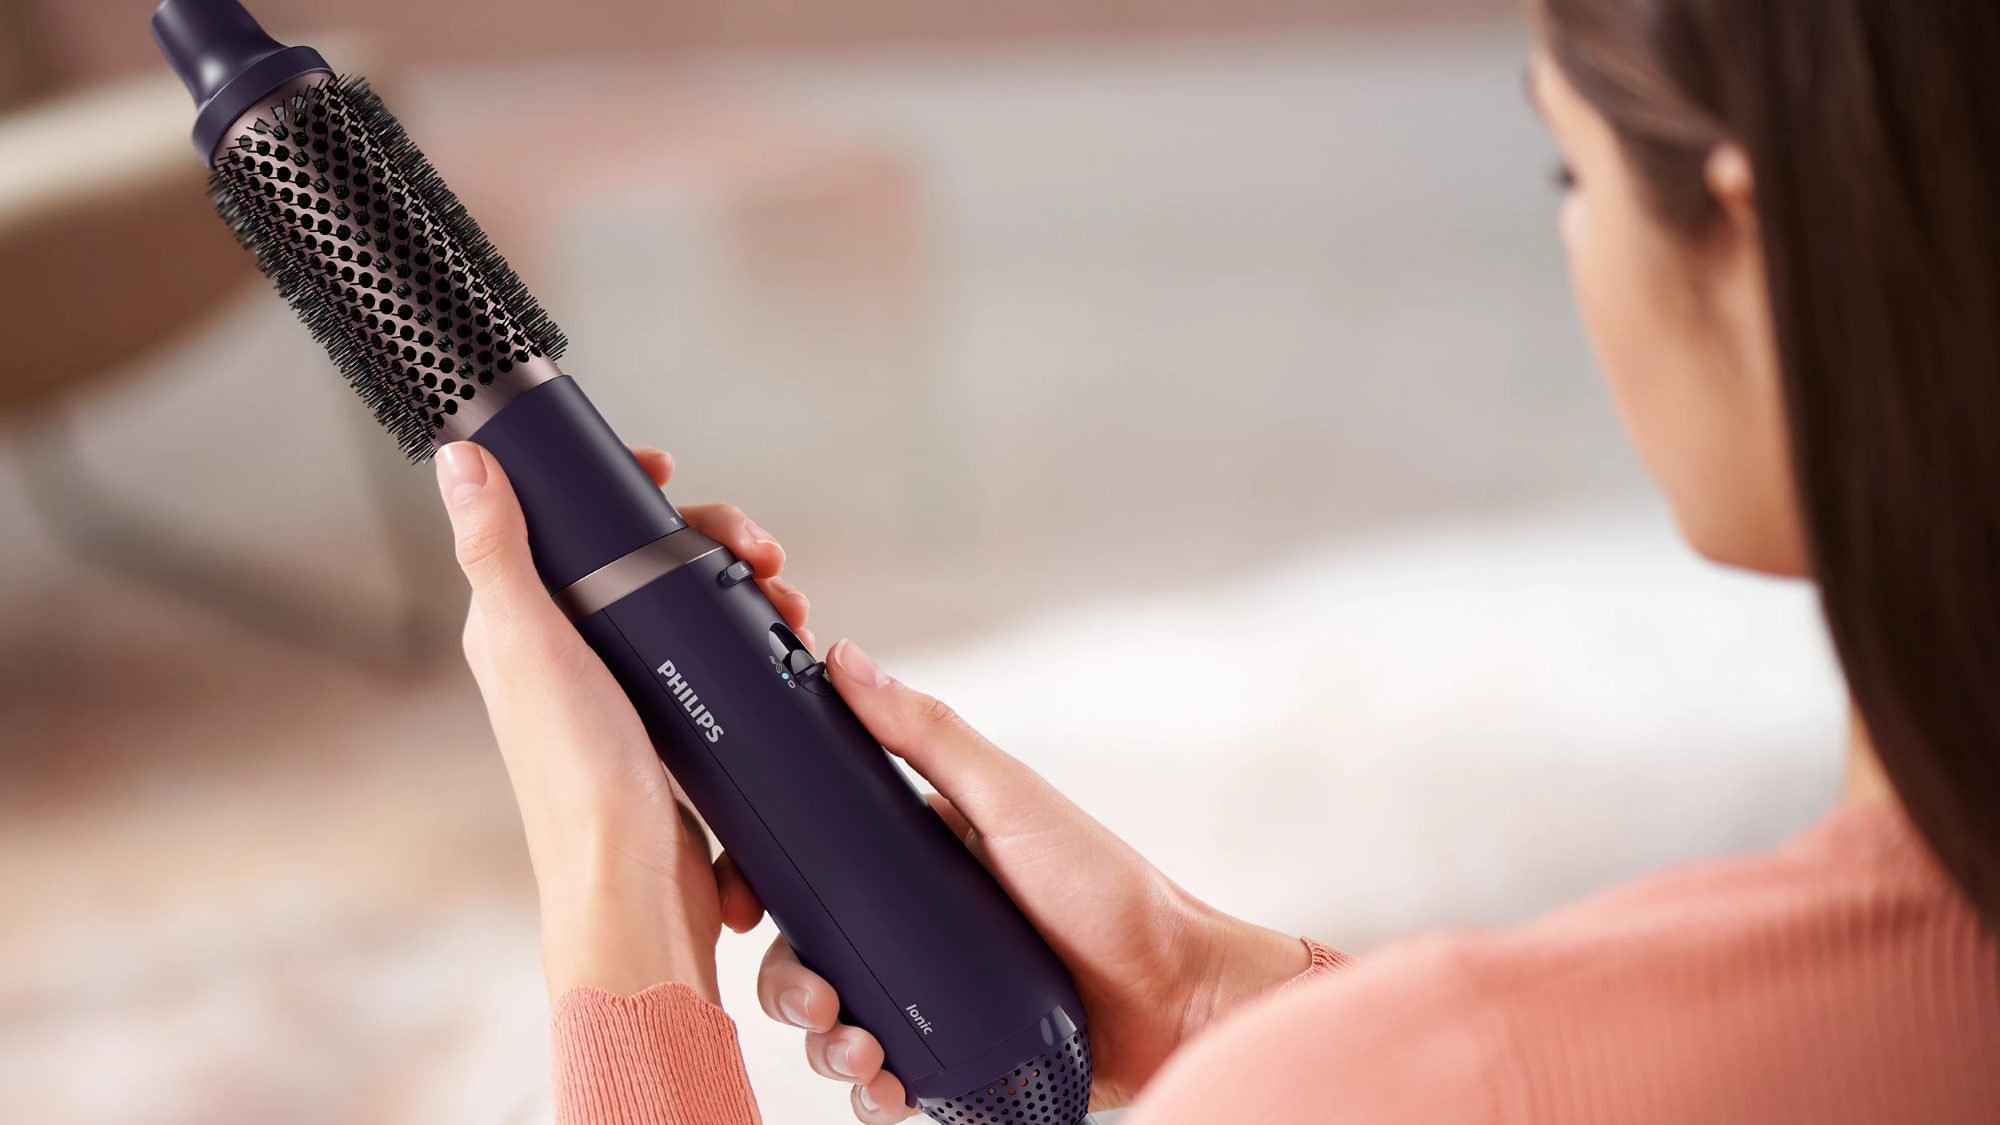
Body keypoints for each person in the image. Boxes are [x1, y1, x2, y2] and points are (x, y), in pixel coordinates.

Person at [428, 0, 2000, 1121]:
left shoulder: (1450, 1064)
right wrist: (1198, 995)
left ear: (1756, 240)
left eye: (1570, 171)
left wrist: (614, 882)